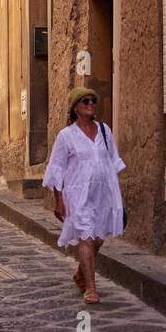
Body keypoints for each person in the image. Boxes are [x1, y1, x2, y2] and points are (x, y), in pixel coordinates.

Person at [43, 88, 125, 305]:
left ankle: (81, 274)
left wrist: (115, 195)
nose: (91, 104)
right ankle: (90, 287)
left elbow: (113, 162)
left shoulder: (105, 131)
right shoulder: (66, 136)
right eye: (85, 101)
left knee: (98, 239)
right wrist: (59, 200)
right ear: (75, 108)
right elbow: (56, 169)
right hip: (78, 194)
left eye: (92, 100)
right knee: (86, 237)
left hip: (103, 194)